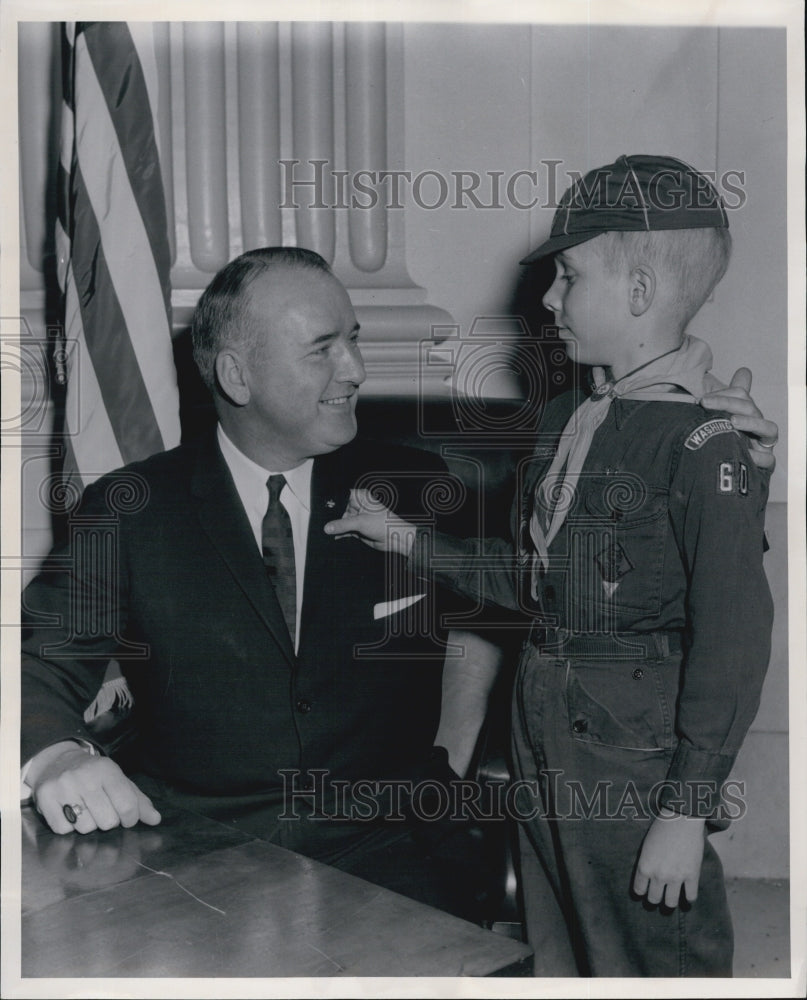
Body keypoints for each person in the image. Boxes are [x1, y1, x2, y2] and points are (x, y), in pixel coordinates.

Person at [325, 154, 776, 976]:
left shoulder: (703, 442)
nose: (546, 300)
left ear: (638, 293)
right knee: (557, 952)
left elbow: (732, 642)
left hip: (630, 771)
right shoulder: (571, 417)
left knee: (651, 956)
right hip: (540, 746)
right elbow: (538, 585)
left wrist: (684, 809)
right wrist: (405, 539)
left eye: (568, 278)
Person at [21, 246, 503, 921]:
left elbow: (488, 631)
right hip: (193, 859)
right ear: (237, 377)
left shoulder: (419, 492)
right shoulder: (130, 508)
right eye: (322, 349)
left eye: (355, 340)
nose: (356, 371)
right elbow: (36, 660)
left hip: (396, 852)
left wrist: (450, 758)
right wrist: (54, 757)